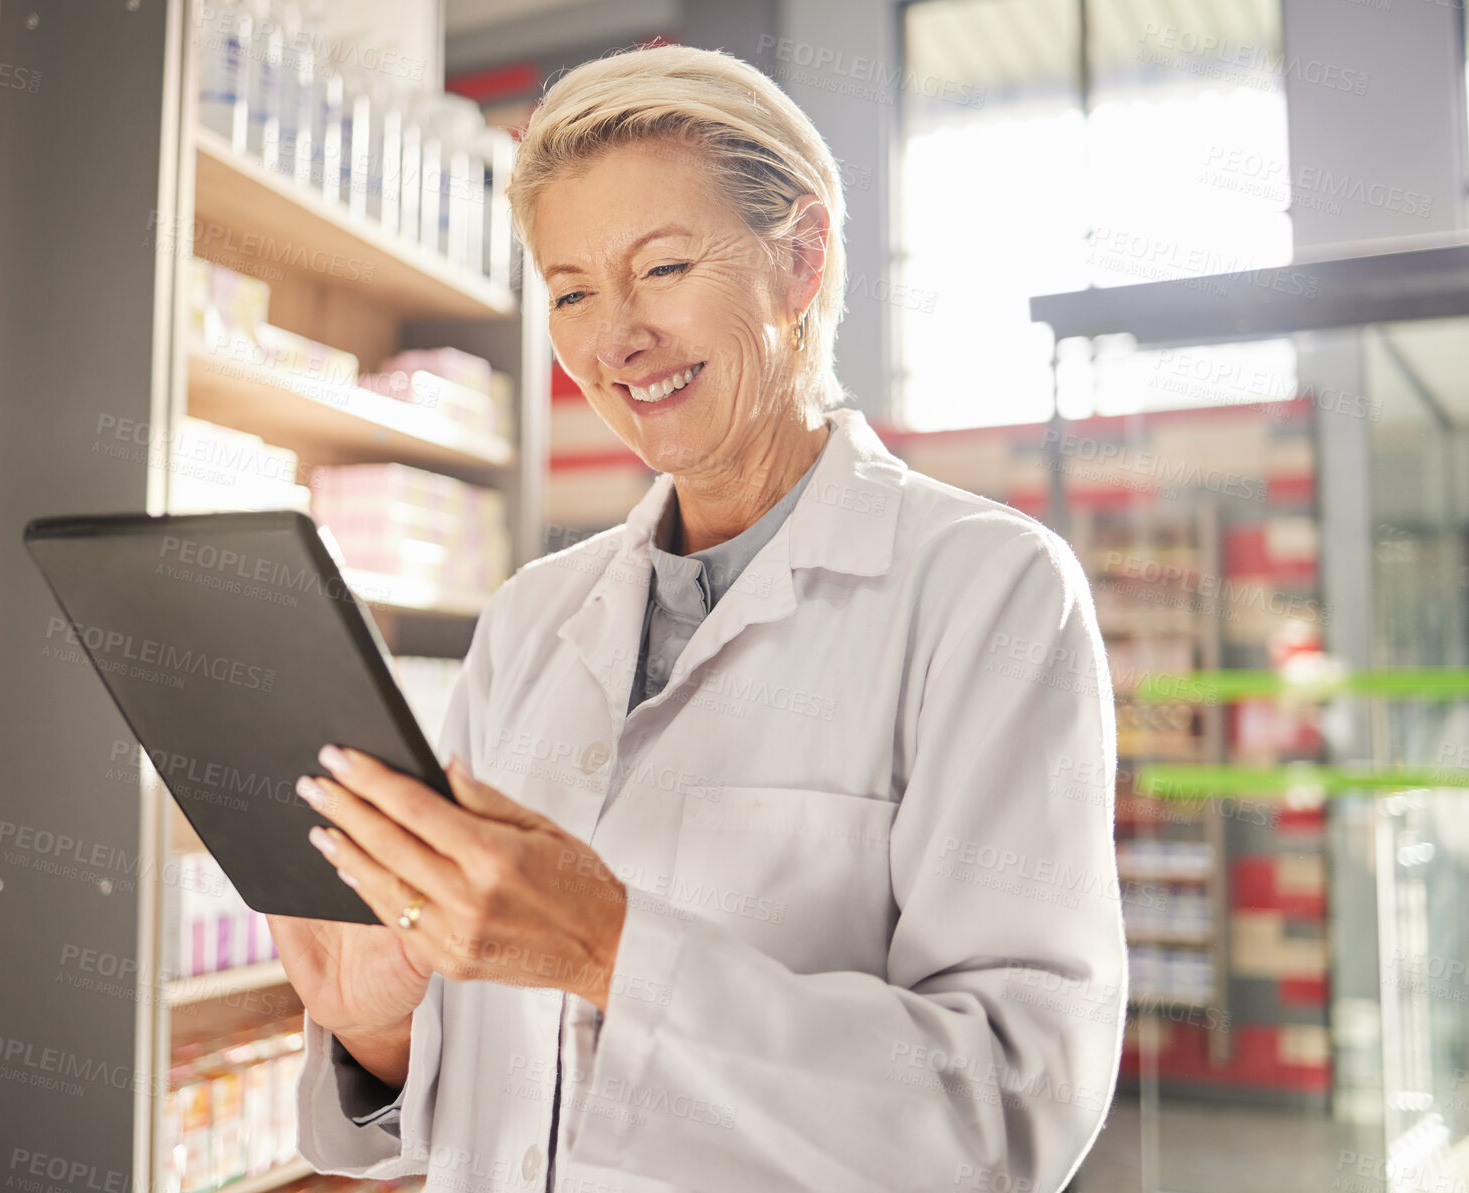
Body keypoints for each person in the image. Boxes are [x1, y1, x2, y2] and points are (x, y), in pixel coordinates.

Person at [268, 42, 1125, 1193]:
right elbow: (475, 1111)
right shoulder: (529, 619)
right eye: (570, 290)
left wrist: (612, 947)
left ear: (801, 258)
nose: (613, 338)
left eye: (661, 267)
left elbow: (1007, 1119)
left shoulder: (989, 591)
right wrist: (377, 1034)